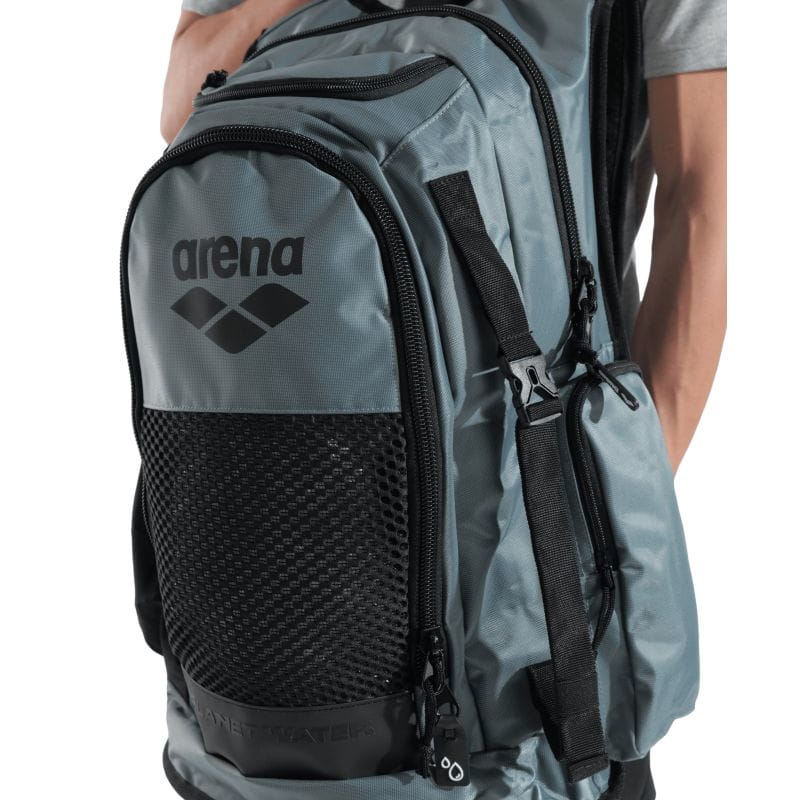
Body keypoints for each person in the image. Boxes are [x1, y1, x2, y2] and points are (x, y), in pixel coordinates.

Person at [159, 1, 726, 797]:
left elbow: (699, 206)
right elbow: (185, 107)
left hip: (523, 557)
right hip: (263, 582)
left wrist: (607, 514)